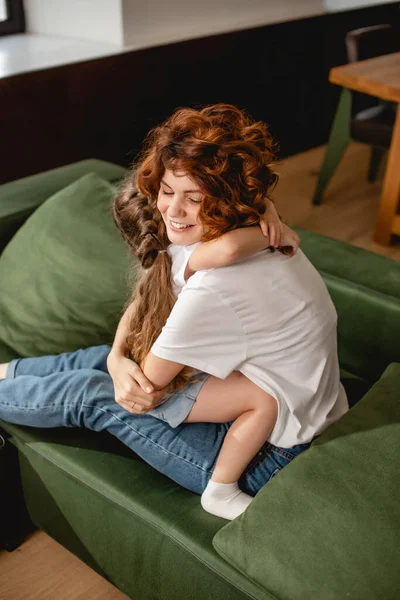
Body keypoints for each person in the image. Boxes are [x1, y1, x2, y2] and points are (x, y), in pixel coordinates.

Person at [0, 104, 348, 521]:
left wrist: (119, 370)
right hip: (284, 408)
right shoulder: (244, 230)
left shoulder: (217, 284)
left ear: (223, 200)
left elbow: (149, 386)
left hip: (268, 457)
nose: (173, 210)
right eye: (168, 192)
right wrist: (114, 357)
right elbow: (149, 299)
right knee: (102, 360)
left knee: (92, 394)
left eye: (194, 199)